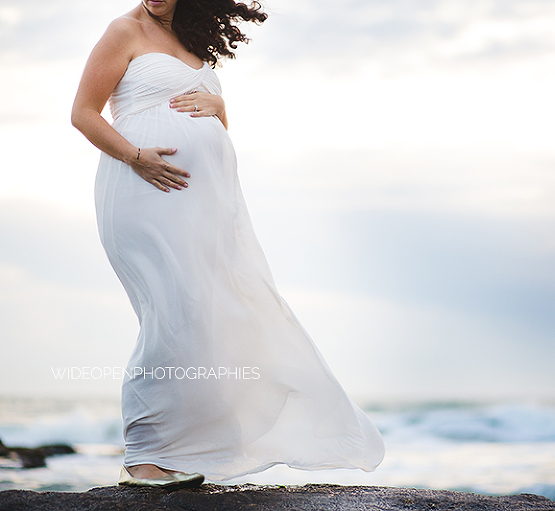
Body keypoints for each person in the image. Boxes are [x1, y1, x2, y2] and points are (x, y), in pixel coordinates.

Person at [71, 0, 385, 489]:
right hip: (145, 189)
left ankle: (179, 449)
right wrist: (137, 157)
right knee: (171, 312)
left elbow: (211, 128)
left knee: (208, 315)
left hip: (206, 206)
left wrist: (220, 108)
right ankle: (141, 455)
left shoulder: (193, 41)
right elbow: (83, 113)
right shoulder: (123, 31)